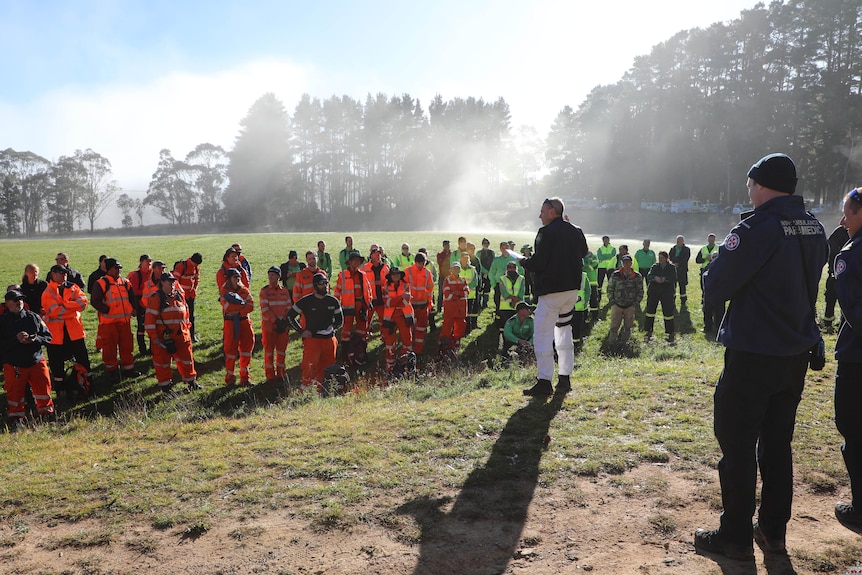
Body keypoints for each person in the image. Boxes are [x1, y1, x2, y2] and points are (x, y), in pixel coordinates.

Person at [694, 153, 827, 560]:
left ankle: (733, 534)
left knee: (737, 447)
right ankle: (773, 532)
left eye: (750, 183)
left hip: (754, 353)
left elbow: (715, 285)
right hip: (794, 354)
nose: (748, 191)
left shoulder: (758, 227)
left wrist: (714, 268)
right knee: (777, 445)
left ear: (760, 183)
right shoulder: (812, 226)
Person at [512, 197, 588, 396]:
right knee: (564, 333)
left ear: (552, 212)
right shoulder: (575, 230)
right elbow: (584, 252)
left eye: (542, 211)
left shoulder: (545, 233)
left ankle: (544, 380)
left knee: (543, 336)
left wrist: (524, 262)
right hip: (571, 291)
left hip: (551, 292)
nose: (540, 215)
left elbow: (540, 262)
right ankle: (565, 379)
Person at [831, 188, 862, 534]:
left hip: (857, 359)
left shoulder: (850, 255)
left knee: (854, 431)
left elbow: (855, 313)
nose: (842, 221)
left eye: (848, 213)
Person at [1, 290, 55, 425]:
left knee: (43, 390)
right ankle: (16, 420)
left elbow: (48, 336)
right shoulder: (2, 322)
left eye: (21, 299)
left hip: (36, 361)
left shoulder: (33, 317)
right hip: (14, 364)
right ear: (7, 304)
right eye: (15, 300)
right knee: (15, 394)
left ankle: (47, 415)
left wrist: (34, 340)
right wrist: (16, 339)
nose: (19, 302)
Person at [287, 273, 343, 393]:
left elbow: (340, 320)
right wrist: (301, 331)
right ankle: (305, 393)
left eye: (326, 283)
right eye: (322, 284)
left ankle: (322, 391)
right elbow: (290, 317)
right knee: (309, 366)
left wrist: (333, 326)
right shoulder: (306, 301)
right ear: (315, 286)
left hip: (329, 340)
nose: (325, 286)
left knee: (328, 368)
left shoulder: (333, 301)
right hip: (313, 340)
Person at [146, 272, 200, 393]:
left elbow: (186, 315)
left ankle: (191, 382)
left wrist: (187, 330)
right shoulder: (156, 298)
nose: (172, 284)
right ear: (162, 283)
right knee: (162, 363)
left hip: (182, 335)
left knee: (187, 360)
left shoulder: (179, 296)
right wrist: (154, 337)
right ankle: (166, 388)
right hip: (163, 339)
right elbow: (149, 320)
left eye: (173, 281)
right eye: (169, 281)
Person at [41, 264, 91, 394]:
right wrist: (72, 309)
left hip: (75, 333)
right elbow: (55, 312)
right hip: (56, 336)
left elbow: (83, 303)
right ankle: (60, 390)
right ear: (53, 274)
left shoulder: (73, 287)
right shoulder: (48, 292)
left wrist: (65, 305)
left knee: (83, 360)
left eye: (65, 273)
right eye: (60, 273)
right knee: (57, 365)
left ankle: (86, 385)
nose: (64, 275)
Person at [91, 258, 140, 381]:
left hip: (124, 321)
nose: (119, 270)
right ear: (108, 269)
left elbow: (132, 297)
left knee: (127, 346)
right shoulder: (101, 283)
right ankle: (112, 371)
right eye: (116, 268)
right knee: (109, 348)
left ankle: (128, 368)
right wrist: (107, 310)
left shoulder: (125, 282)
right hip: (109, 323)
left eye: (120, 268)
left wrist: (134, 308)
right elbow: (94, 301)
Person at [334, 250, 374, 364]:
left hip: (361, 305)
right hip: (347, 306)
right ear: (350, 262)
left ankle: (361, 354)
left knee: (363, 330)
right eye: (354, 260)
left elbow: (368, 289)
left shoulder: (363, 275)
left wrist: (369, 301)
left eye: (358, 260)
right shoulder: (342, 275)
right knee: (346, 331)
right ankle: (345, 356)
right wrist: (336, 307)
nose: (357, 262)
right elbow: (337, 291)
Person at [220, 268, 255, 386]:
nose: (238, 279)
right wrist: (242, 306)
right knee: (230, 351)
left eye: (239, 277)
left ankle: (245, 378)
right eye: (235, 277)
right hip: (230, 324)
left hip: (244, 322)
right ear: (230, 279)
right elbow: (227, 307)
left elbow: (251, 306)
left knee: (247, 349)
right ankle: (230, 378)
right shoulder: (224, 290)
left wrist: (238, 312)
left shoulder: (244, 290)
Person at [259, 266, 292, 383]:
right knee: (269, 352)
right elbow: (265, 309)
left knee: (281, 351)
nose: (271, 277)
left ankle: (281, 373)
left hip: (283, 327)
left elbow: (289, 307)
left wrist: (284, 322)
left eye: (273, 275)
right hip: (269, 328)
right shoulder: (264, 291)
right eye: (269, 275)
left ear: (278, 276)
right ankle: (270, 376)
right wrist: (276, 321)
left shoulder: (285, 291)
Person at [381, 267, 414, 373]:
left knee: (407, 340)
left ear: (400, 275)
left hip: (404, 317)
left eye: (397, 274)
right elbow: (387, 302)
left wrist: (395, 300)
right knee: (390, 342)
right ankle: (390, 366)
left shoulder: (406, 285)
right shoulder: (385, 286)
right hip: (390, 318)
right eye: (393, 275)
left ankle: (405, 363)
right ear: (390, 276)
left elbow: (406, 301)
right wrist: (400, 298)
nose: (395, 276)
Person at [606, 255, 643, 344]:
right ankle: (612, 343)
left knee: (628, 326)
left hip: (630, 305)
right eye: (624, 262)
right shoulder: (615, 275)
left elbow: (640, 291)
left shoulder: (637, 276)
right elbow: (610, 288)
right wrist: (612, 301)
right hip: (617, 305)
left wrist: (635, 303)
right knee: (614, 325)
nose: (626, 264)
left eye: (628, 262)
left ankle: (624, 343)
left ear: (631, 263)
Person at [405, 252, 435, 355]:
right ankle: (409, 348)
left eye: (422, 263)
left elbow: (430, 290)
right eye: (418, 263)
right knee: (410, 327)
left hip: (423, 305)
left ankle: (418, 350)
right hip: (411, 305)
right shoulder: (408, 272)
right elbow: (403, 287)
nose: (420, 265)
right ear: (415, 262)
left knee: (421, 328)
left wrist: (430, 303)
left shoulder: (427, 273)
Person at [644, 251, 677, 343]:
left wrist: (665, 279)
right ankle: (648, 329)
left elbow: (674, 278)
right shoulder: (655, 266)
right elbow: (649, 275)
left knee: (668, 313)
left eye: (662, 258)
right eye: (659, 258)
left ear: (667, 258)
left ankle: (670, 331)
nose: (660, 260)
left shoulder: (671, 267)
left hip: (667, 292)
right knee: (650, 311)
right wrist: (655, 278)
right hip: (654, 291)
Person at [824, 224, 850, 334]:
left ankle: (842, 325)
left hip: (844, 275)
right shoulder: (840, 232)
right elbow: (831, 249)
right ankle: (828, 323)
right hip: (835, 274)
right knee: (831, 299)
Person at [440, 262, 469, 355]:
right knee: (447, 326)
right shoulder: (447, 280)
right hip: (450, 308)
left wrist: (455, 293)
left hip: (460, 308)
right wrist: (459, 293)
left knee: (460, 326)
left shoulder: (463, 280)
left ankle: (456, 343)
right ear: (451, 270)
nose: (456, 270)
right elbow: (447, 294)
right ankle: (445, 345)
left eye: (458, 268)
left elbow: (466, 293)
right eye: (454, 268)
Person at [696, 234, 723, 333]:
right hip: (709, 291)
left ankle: (718, 326)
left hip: (719, 292)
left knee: (719, 311)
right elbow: (697, 260)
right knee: (707, 310)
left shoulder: (721, 266)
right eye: (713, 257)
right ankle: (708, 327)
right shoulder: (703, 250)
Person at [172, 252, 203, 342]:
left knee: (191, 317)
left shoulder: (196, 267)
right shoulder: (182, 266)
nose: (196, 266)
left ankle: (192, 335)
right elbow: (175, 281)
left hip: (190, 296)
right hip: (181, 297)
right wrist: (178, 294)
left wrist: (194, 289)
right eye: (195, 264)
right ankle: (181, 335)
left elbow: (197, 279)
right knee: (181, 317)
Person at [128, 254, 153, 356]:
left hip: (150, 304)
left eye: (150, 262)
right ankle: (142, 349)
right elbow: (133, 291)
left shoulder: (152, 274)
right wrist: (146, 292)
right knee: (141, 327)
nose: (149, 264)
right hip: (140, 304)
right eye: (147, 262)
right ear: (141, 262)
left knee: (152, 326)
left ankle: (152, 349)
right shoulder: (136, 275)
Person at [361, 247, 389, 333]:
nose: (378, 256)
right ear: (371, 256)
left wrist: (383, 285)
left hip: (382, 299)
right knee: (366, 320)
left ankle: (384, 338)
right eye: (376, 254)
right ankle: (364, 337)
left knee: (383, 320)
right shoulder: (364, 268)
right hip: (370, 299)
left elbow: (389, 282)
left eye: (379, 254)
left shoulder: (385, 267)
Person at [497, 261, 525, 340]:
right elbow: (503, 292)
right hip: (505, 307)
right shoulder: (502, 279)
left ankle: (516, 343)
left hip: (517, 307)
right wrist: (513, 299)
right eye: (510, 268)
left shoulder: (521, 278)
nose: (511, 270)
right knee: (504, 327)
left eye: (513, 268)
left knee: (517, 326)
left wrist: (514, 300)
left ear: (516, 269)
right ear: (507, 269)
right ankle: (504, 343)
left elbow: (521, 292)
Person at [459, 252, 479, 333]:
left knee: (469, 313)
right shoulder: (457, 268)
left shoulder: (473, 269)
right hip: (460, 295)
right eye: (464, 258)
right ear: (460, 259)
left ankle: (468, 328)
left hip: (470, 295)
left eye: (467, 258)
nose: (465, 260)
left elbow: (475, 281)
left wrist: (467, 287)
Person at [670, 235, 691, 306]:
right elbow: (670, 257)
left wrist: (676, 261)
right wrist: (675, 262)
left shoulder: (686, 249)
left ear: (683, 241)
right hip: (674, 270)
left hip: (682, 270)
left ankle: (683, 300)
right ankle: (672, 299)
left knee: (682, 286)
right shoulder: (673, 248)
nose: (678, 242)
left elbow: (685, 259)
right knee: (673, 285)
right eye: (677, 241)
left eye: (680, 241)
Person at [596, 236, 616, 304]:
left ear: (609, 240)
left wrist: (604, 256)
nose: (606, 241)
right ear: (603, 241)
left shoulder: (613, 249)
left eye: (607, 240)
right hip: (601, 267)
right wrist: (608, 256)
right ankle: (598, 297)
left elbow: (613, 256)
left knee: (611, 283)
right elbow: (599, 257)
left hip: (610, 267)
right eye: (604, 240)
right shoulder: (600, 249)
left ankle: (611, 297)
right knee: (599, 283)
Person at [477, 238, 495, 309]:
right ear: (482, 244)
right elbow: (479, 264)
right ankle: (479, 303)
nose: (486, 244)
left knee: (487, 289)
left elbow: (493, 262)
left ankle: (485, 303)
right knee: (480, 288)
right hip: (481, 273)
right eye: (484, 243)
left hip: (489, 273)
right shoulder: (479, 253)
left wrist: (489, 272)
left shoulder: (492, 252)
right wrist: (484, 271)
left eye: (487, 243)